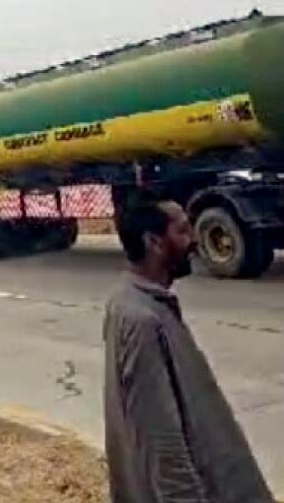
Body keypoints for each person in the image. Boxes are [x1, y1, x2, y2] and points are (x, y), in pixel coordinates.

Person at [104, 190, 273, 502]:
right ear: (153, 242)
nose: (194, 239)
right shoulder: (140, 318)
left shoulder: (138, 303)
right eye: (182, 230)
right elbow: (162, 444)